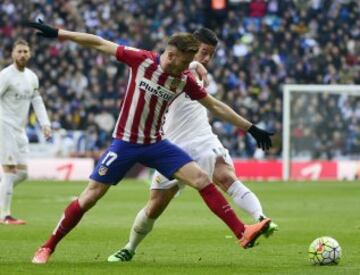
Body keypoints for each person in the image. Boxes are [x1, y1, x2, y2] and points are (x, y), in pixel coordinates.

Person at [24, 20, 273, 264]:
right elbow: (99, 43)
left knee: (201, 180)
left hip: (157, 144)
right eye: (186, 62)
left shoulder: (184, 79)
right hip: (125, 143)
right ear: (172, 55)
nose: (189, 67)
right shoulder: (142, 59)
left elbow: (215, 106)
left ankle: (242, 232)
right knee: (90, 197)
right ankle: (48, 246)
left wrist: (251, 128)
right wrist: (58, 33)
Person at [108, 28, 278, 262]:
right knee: (156, 205)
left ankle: (261, 219)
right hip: (170, 146)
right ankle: (130, 247)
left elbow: (215, 105)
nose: (206, 58)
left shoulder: (195, 75)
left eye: (211, 54)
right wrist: (195, 67)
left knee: (225, 176)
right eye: (203, 52)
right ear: (188, 49)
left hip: (201, 139)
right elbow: (163, 61)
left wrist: (250, 128)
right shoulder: (172, 70)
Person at [0, 39, 52, 225]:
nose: (22, 54)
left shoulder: (32, 77)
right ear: (13, 54)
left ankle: (2, 197)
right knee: (9, 170)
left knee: (22, 174)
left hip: (20, 130)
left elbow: (37, 101)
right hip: (4, 126)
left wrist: (45, 123)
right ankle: (4, 215)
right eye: (19, 51)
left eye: (25, 51)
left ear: (30, 54)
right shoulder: (6, 75)